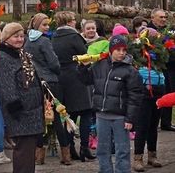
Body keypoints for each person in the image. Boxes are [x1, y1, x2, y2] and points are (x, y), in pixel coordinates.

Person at [78, 35, 143, 173]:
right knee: (102, 149)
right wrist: (83, 68)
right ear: (111, 50)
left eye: (124, 50)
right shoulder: (100, 65)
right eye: (118, 50)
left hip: (120, 117)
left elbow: (135, 96)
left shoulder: (130, 71)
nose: (121, 53)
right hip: (102, 115)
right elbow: (86, 80)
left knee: (122, 150)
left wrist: (130, 119)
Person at [0, 22, 44, 173]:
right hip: (21, 113)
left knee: (28, 153)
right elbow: (6, 86)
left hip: (32, 111)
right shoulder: (3, 58)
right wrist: (16, 107)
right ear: (6, 38)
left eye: (22, 36)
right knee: (24, 153)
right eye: (16, 36)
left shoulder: (21, 54)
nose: (20, 39)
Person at [24, 13, 70, 165]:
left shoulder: (26, 41)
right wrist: (57, 71)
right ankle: (65, 154)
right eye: (44, 25)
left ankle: (39, 155)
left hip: (35, 82)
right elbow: (53, 62)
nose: (47, 27)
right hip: (51, 82)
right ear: (37, 25)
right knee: (57, 118)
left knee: (41, 119)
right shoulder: (44, 41)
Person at [51, 11, 95, 161]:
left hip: (61, 79)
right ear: (69, 22)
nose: (75, 22)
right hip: (78, 76)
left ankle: (69, 148)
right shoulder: (74, 36)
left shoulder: (53, 37)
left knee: (69, 115)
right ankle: (84, 147)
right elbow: (85, 55)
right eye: (73, 20)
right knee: (86, 113)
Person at [133, 28, 166, 171]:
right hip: (144, 92)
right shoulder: (137, 53)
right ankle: (138, 157)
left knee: (153, 125)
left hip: (159, 90)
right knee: (142, 126)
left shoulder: (160, 53)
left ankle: (152, 155)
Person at [147, 8, 175, 131]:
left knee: (169, 93)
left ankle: (166, 122)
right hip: (155, 68)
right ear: (153, 18)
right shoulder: (148, 32)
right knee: (156, 94)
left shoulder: (169, 31)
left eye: (165, 17)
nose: (163, 19)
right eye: (161, 17)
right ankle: (152, 122)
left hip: (170, 67)